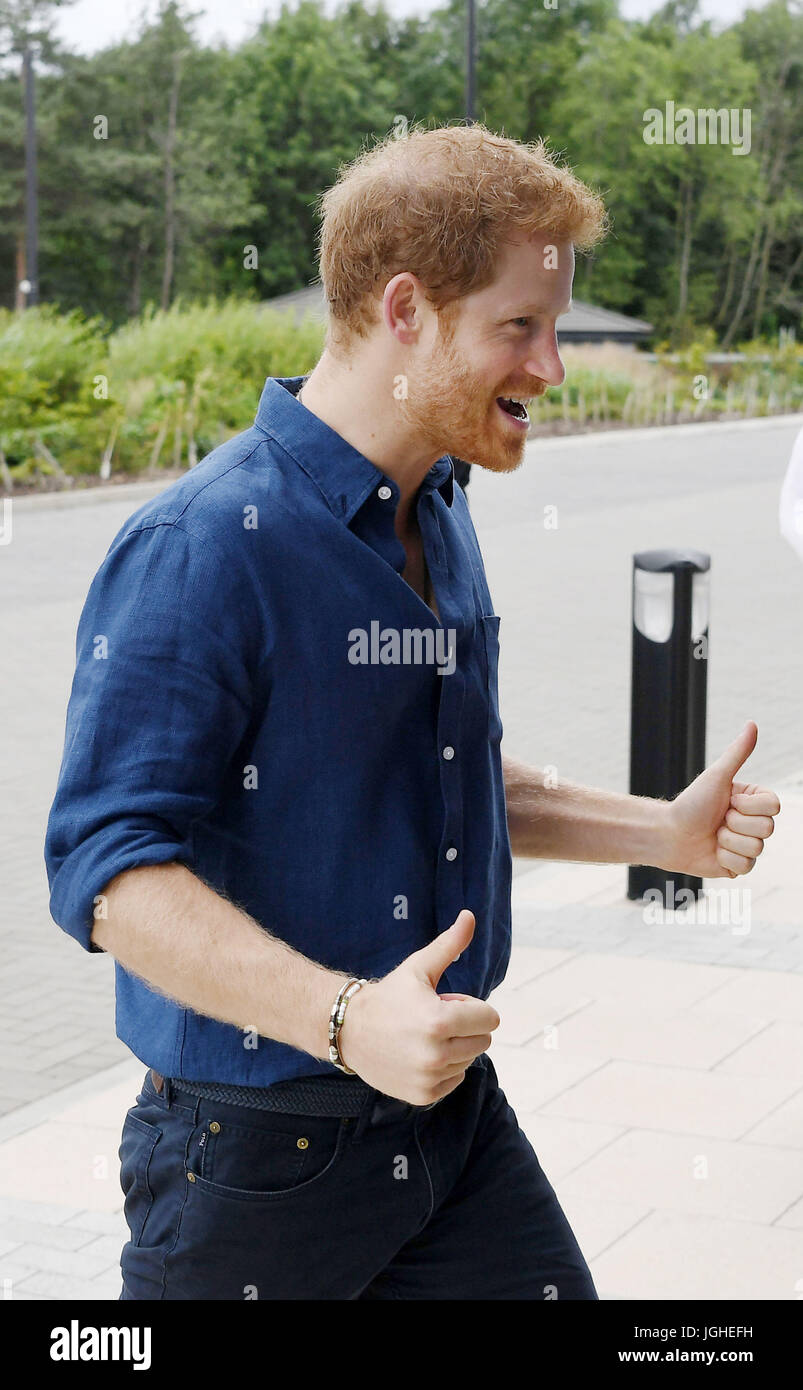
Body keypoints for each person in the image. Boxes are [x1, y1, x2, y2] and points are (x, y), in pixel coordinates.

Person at [44, 123, 780, 1301]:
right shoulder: (202, 547)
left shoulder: (437, 502)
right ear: (405, 312)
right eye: (518, 328)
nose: (550, 365)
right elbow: (108, 871)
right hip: (251, 1172)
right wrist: (343, 1019)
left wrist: (658, 834)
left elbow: (449, 769)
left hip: (447, 1129)